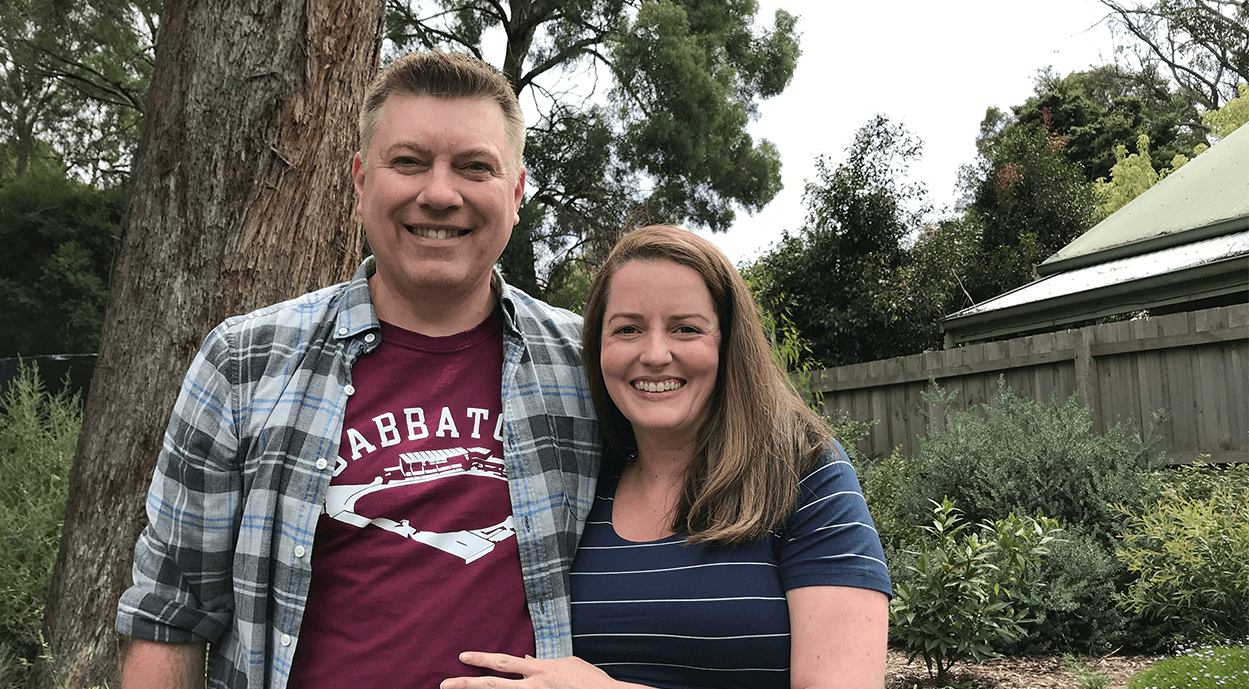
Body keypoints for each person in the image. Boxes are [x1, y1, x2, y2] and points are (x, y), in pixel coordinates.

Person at [116, 51, 602, 689]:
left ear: (514, 194)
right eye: (407, 162)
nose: (438, 193)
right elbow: (171, 615)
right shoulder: (244, 362)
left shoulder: (588, 365)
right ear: (359, 183)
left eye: (474, 167)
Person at [444, 225, 891, 689]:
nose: (655, 354)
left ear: (727, 343)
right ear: (598, 347)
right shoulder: (582, 481)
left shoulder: (803, 474)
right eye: (628, 329)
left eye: (686, 329)